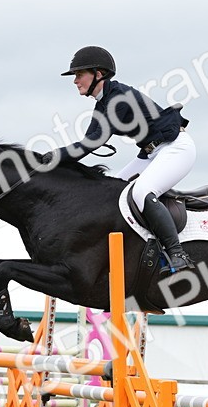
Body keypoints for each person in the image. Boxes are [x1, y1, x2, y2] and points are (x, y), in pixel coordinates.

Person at [53, 46, 194, 272]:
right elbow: (87, 141)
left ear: (98, 74)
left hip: (176, 148)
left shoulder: (118, 98)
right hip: (152, 153)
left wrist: (49, 159)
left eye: (79, 74)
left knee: (141, 193)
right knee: (110, 193)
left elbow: (92, 144)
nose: (75, 81)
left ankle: (177, 254)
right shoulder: (103, 103)